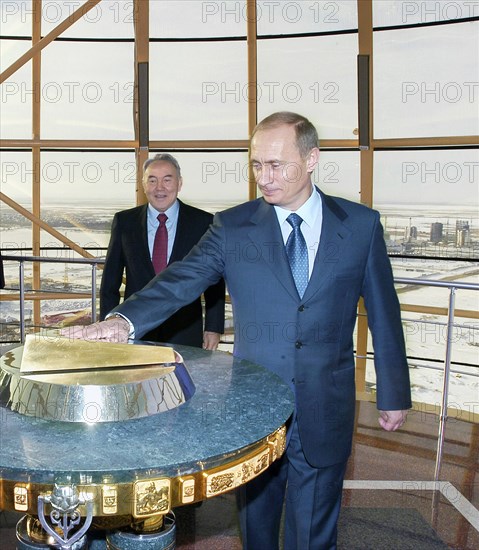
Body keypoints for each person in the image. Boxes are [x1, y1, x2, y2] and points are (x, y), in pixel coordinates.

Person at [64, 112, 411, 549]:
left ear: (311, 160)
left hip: (328, 402)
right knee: (257, 524)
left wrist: (393, 392)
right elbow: (180, 280)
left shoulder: (360, 225)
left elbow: (384, 310)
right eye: (255, 165)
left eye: (276, 165)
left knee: (316, 527)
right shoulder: (233, 227)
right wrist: (121, 322)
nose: (263, 178)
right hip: (257, 406)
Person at [99, 153, 225, 350]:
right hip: (135, 330)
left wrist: (213, 327)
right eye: (152, 180)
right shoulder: (125, 222)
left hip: (185, 329)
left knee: (183, 380)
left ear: (179, 183)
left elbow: (214, 281)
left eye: (167, 180)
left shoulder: (203, 222)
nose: (160, 188)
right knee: (137, 380)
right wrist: (107, 325)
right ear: (143, 184)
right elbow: (109, 283)